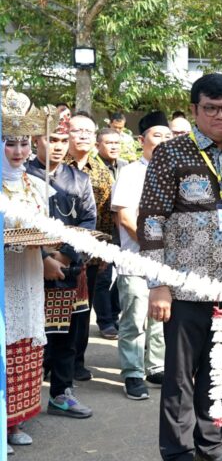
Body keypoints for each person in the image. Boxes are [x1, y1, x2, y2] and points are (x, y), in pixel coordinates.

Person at [139, 73, 222, 461]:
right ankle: (178, 453)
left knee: (217, 376)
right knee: (178, 379)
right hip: (184, 290)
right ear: (195, 110)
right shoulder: (171, 154)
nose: (219, 116)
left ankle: (211, 448)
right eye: (210, 108)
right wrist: (159, 284)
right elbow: (151, 220)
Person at [27, 117, 97, 420]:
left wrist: (65, 256)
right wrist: (43, 257)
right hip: (28, 268)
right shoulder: (20, 176)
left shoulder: (78, 179)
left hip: (69, 270)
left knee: (66, 336)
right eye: (50, 139)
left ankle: (61, 393)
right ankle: (21, 402)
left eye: (61, 140)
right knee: (27, 337)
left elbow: (88, 221)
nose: (56, 146)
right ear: (35, 140)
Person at [2, 91, 51, 454]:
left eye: (22, 143)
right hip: (3, 277)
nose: (18, 151)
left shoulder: (36, 184)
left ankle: (15, 422)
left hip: (30, 274)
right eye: (9, 143)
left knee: (24, 344)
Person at [111, 111, 172, 400]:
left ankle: (156, 366)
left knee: (160, 316)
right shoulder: (131, 172)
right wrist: (153, 246)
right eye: (157, 135)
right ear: (141, 140)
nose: (163, 141)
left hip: (167, 262)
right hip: (136, 258)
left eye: (168, 136)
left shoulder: (174, 171)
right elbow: (125, 217)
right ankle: (132, 372)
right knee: (135, 317)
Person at [65, 112, 117, 377]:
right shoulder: (54, 164)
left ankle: (77, 362)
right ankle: (50, 361)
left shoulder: (102, 173)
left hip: (90, 256)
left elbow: (107, 217)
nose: (83, 135)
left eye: (88, 131)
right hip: (56, 253)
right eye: (77, 130)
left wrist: (104, 253)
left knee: (83, 312)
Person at [93, 126, 127, 337]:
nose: (114, 147)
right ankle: (105, 321)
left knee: (124, 276)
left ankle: (113, 312)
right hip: (101, 231)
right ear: (98, 145)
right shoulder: (92, 167)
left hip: (123, 230)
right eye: (109, 143)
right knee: (102, 278)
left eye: (117, 143)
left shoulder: (125, 167)